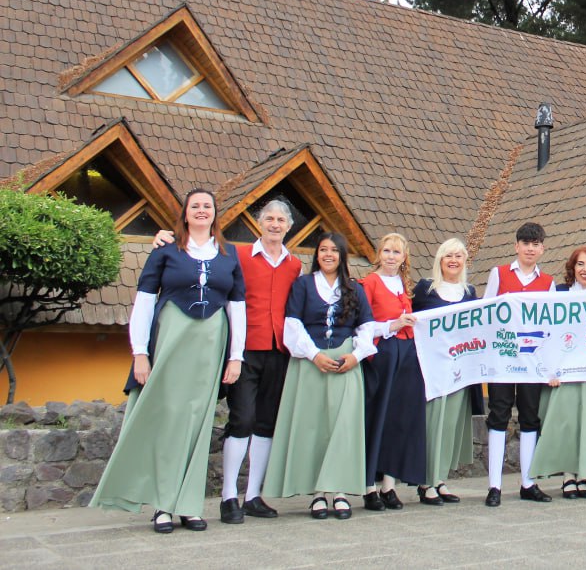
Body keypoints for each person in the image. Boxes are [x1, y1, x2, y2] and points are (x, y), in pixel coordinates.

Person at [92, 189, 246, 534]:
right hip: (171, 342)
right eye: (196, 206)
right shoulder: (165, 250)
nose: (202, 210)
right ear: (185, 213)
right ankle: (162, 504)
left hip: (210, 346)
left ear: (215, 213)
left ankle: (188, 505)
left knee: (198, 422)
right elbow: (145, 301)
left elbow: (238, 307)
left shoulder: (229, 254)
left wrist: (235, 357)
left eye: (207, 206)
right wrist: (140, 354)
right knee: (168, 419)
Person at [150, 198, 302, 524]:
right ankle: (228, 495)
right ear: (260, 223)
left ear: (289, 227)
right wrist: (163, 234)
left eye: (281, 220)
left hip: (279, 351)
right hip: (244, 350)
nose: (275, 225)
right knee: (242, 419)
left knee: (265, 423)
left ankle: (253, 496)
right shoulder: (236, 254)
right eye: (269, 219)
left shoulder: (294, 265)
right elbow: (198, 247)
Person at [262, 232, 376, 519]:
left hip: (345, 363)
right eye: (323, 250)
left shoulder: (354, 288)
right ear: (317, 255)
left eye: (334, 250)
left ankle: (339, 491)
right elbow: (292, 324)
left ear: (342, 256)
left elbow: (366, 328)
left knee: (342, 427)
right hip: (310, 364)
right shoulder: (302, 285)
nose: (328, 255)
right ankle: (317, 494)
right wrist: (314, 355)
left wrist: (355, 356)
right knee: (314, 427)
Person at [482, 221, 555, 506]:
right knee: (499, 414)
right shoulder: (498, 274)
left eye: (535, 244)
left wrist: (550, 365)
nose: (530, 248)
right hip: (502, 358)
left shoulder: (548, 282)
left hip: (532, 359)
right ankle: (494, 486)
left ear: (542, 248)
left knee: (529, 416)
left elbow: (552, 325)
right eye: (526, 243)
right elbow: (486, 313)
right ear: (516, 246)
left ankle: (528, 482)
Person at [529, 247, 586, 498]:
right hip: (565, 372)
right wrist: (549, 369)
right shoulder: (559, 293)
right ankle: (567, 476)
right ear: (572, 268)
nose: (585, 269)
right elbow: (547, 331)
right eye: (580, 264)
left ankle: (583, 475)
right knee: (567, 424)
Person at [412, 237, 484, 505]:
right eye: (448, 256)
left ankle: (440, 479)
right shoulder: (425, 289)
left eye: (458, 256)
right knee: (432, 424)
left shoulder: (469, 291)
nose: (453, 261)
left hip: (459, 370)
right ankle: (425, 481)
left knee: (451, 426)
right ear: (439, 260)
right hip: (432, 369)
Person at [359, 233, 421, 510]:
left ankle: (389, 485)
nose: (391, 256)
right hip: (382, 355)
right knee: (378, 417)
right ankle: (369, 486)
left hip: (407, 356)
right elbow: (361, 325)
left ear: (404, 256)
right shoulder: (370, 283)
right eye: (387, 251)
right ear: (379, 254)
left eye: (397, 252)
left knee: (398, 419)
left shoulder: (405, 286)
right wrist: (391, 326)